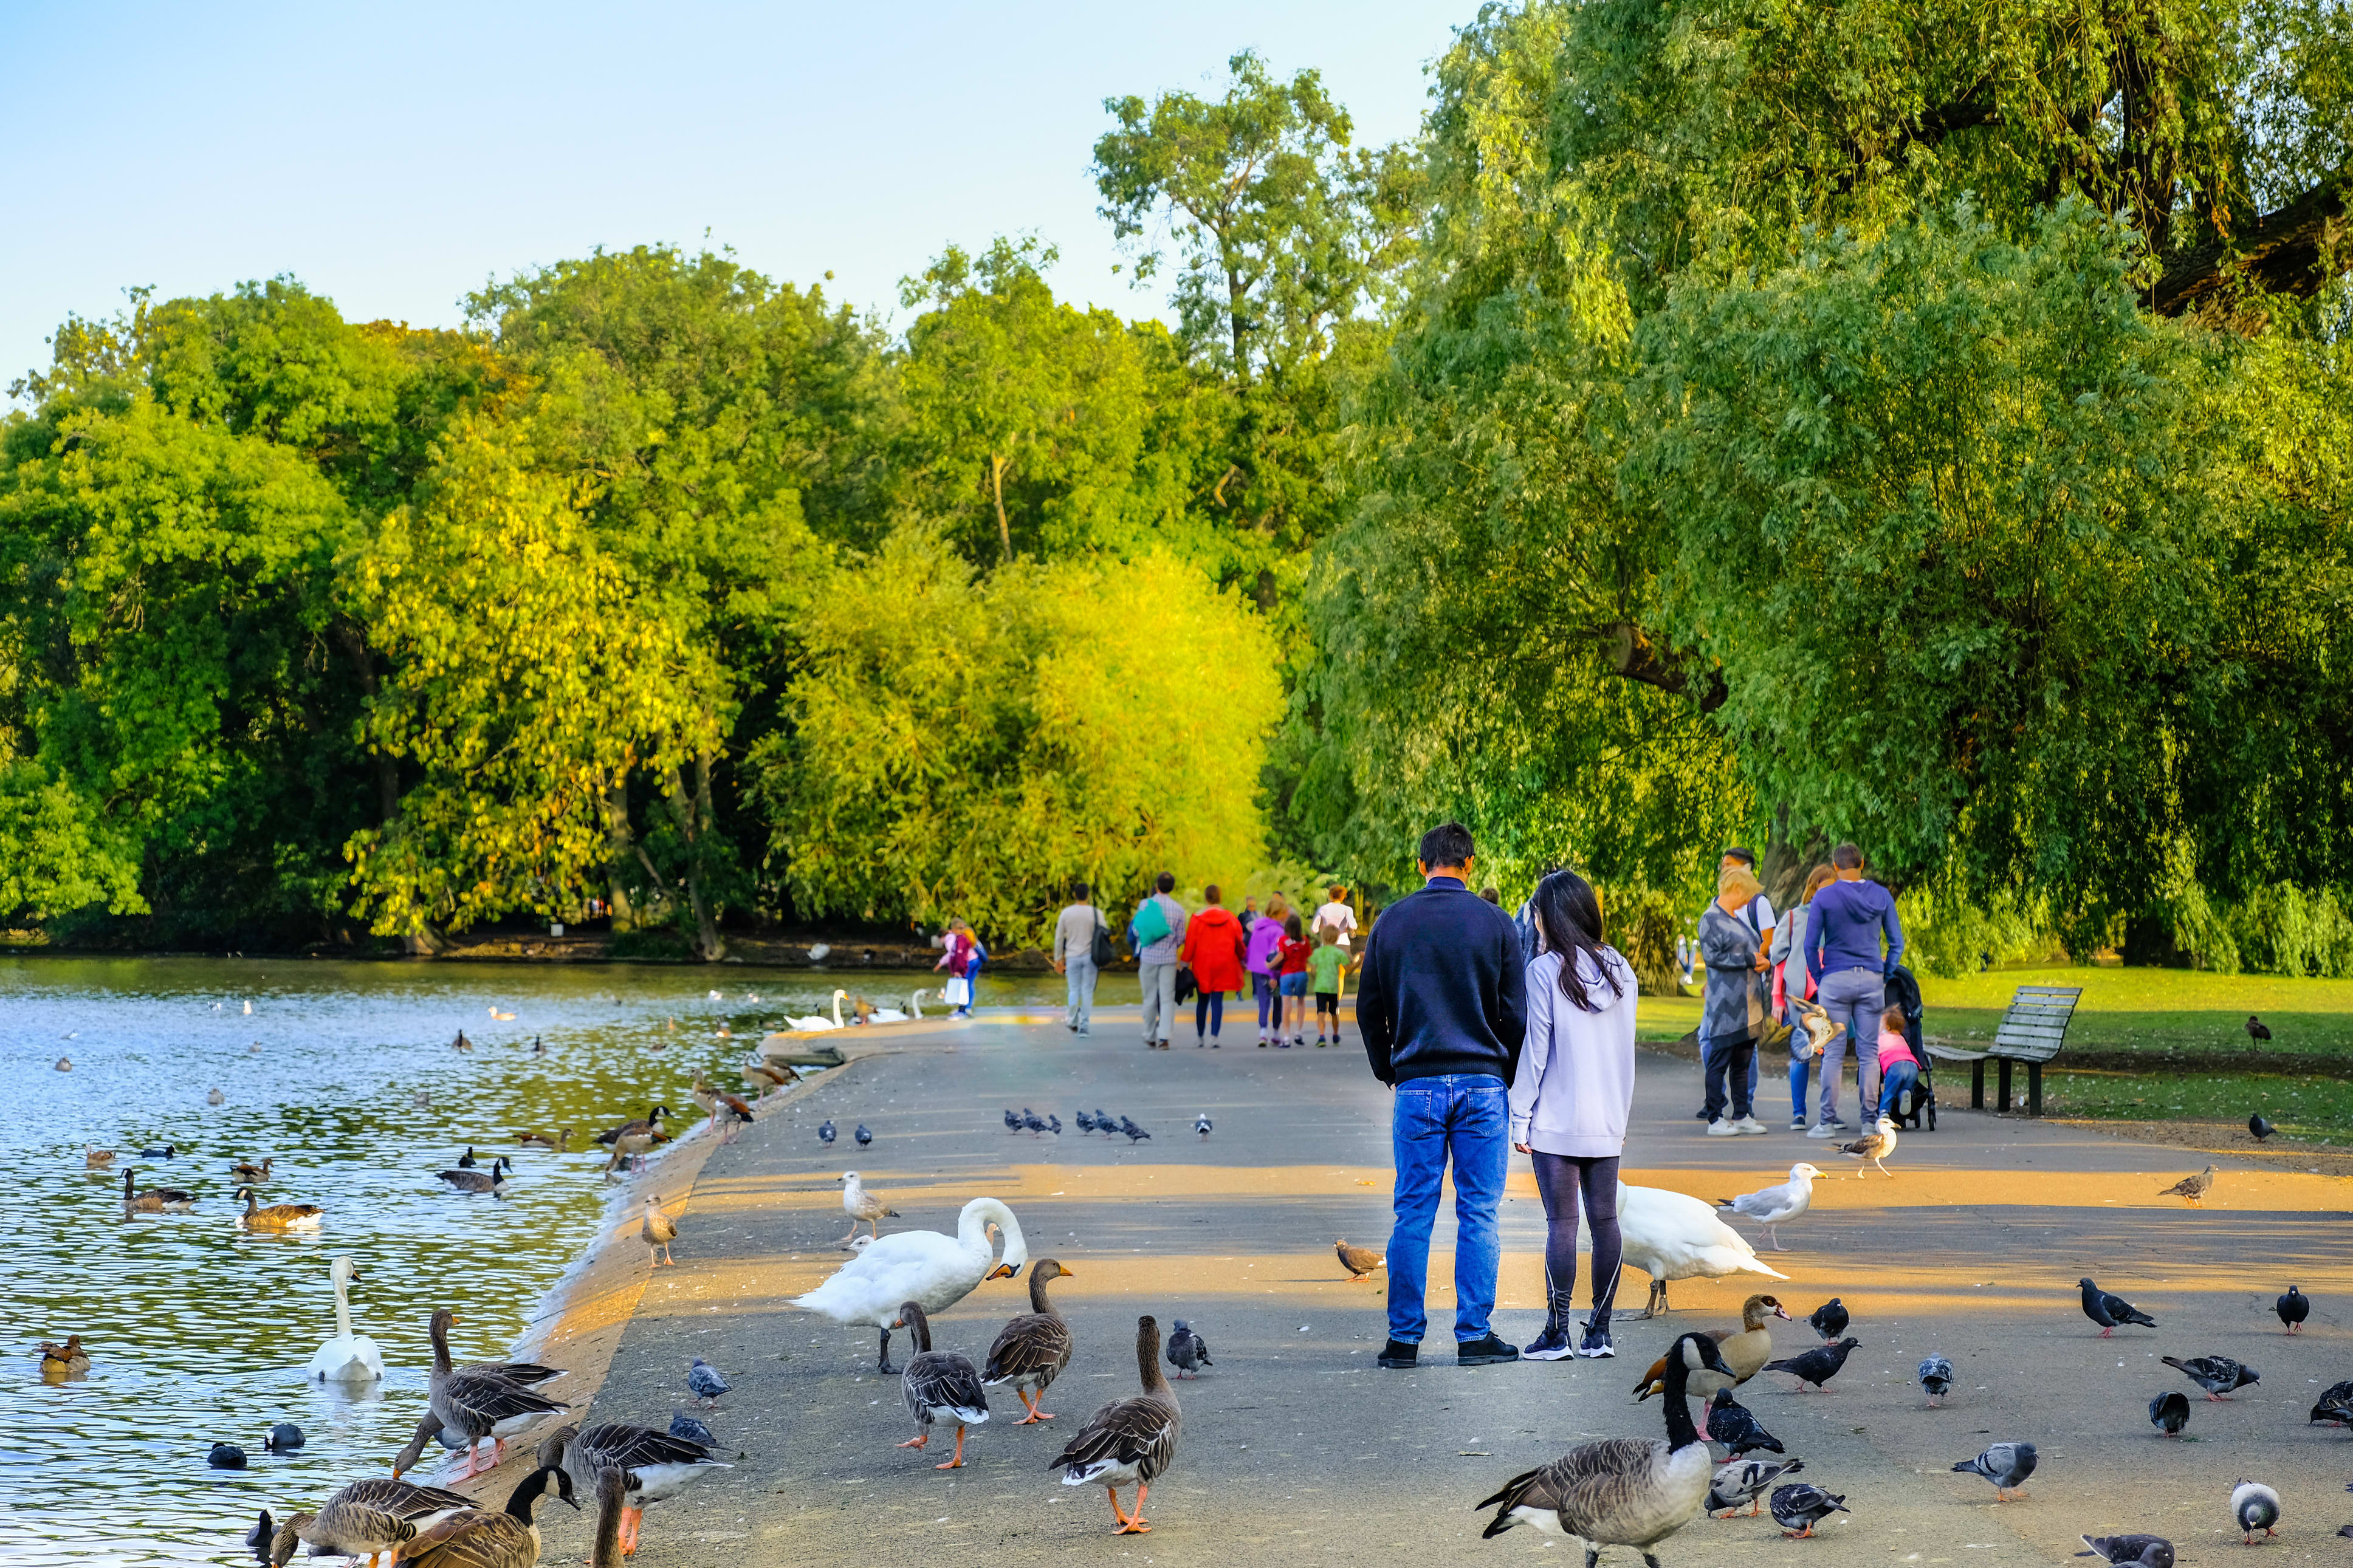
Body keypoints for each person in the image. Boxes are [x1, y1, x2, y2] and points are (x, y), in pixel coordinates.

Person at [1356, 821, 1528, 1370]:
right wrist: (1502, 1069)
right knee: (1479, 1210)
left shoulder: (1392, 921)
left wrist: (1389, 1067)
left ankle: (1404, 1338)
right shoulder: (1497, 923)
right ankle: (1474, 1334)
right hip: (1481, 1077)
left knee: (1413, 1211)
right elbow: (1516, 1013)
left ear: (1421, 864)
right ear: (1470, 864)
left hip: (1417, 1082)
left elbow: (1367, 1007)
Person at [1509, 868, 1638, 1360]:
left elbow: (1535, 1052)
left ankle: (1557, 1333)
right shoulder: (1621, 969)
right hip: (1607, 1118)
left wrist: (1519, 1117)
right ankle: (1600, 1333)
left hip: (1557, 1120)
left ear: (1548, 916)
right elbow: (1625, 1053)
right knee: (1604, 1221)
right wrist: (1619, 1118)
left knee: (1561, 1223)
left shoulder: (1543, 971)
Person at [1804, 843, 1905, 1131]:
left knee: (1833, 1053)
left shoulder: (1824, 896)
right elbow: (1897, 943)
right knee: (1869, 1053)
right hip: (1871, 978)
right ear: (1862, 863)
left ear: (1835, 867)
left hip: (1835, 978)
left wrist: (1820, 977)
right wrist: (1885, 974)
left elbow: (1810, 945)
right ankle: (1869, 1121)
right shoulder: (1881, 895)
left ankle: (1826, 1123)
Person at [1695, 847, 1774, 1120]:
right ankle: (1715, 1109)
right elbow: (1713, 955)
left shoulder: (1755, 905)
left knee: (1743, 1056)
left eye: (1729, 865)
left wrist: (1763, 960)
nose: (1723, 868)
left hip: (1748, 994)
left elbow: (1767, 944)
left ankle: (1744, 1109)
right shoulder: (1714, 914)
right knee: (1714, 1048)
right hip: (1726, 997)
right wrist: (1749, 959)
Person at [1767, 864, 1838, 1129]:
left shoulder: (1839, 918)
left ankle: (1828, 1113)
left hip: (1830, 991)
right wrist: (1776, 998)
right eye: (1825, 888)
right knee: (1802, 1051)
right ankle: (1799, 1113)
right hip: (1800, 995)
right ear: (1813, 887)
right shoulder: (1794, 917)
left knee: (1830, 1052)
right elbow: (1779, 961)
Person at [1179, 885, 1246, 1048]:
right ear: (1219, 898)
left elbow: (1191, 944)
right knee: (1218, 1001)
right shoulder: (1230, 918)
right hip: (1224, 964)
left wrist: (1184, 963)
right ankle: (1215, 1037)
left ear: (1206, 898)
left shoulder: (1197, 919)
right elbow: (1239, 942)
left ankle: (1200, 1036)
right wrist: (1243, 958)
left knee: (1202, 1001)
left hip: (1203, 964)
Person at [1133, 872, 1188, 1050]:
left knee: (1149, 998)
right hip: (1168, 959)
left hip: (1148, 957)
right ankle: (1164, 1038)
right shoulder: (1179, 909)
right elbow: (1181, 938)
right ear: (1172, 887)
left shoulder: (1145, 904)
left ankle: (1149, 1035)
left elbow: (1136, 930)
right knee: (1167, 998)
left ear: (1157, 886)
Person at [1051, 881, 1108, 1036]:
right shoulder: (1096, 913)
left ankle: (1071, 1021)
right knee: (1087, 991)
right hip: (1091, 957)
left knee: (1074, 990)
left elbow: (1059, 938)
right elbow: (1105, 933)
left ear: (1075, 895)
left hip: (1072, 956)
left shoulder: (1067, 913)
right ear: (1088, 895)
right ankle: (1085, 1026)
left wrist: (1058, 959)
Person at [1246, 895, 1289, 1045]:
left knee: (1263, 1001)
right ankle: (1276, 1033)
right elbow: (1274, 955)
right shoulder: (1278, 931)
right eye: (1285, 913)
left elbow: (1251, 949)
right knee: (1277, 1000)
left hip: (1257, 969)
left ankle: (1263, 1032)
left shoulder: (1258, 928)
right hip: (1273, 971)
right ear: (1278, 914)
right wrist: (1273, 975)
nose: (1287, 915)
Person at [1874, 1002, 1924, 1121]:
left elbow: (1874, 1053)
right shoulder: (1901, 1038)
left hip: (1895, 1066)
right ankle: (1904, 1093)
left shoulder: (1881, 1039)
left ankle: (1884, 1112)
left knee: (1890, 1091)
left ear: (1887, 1027)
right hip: (1912, 1066)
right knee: (1902, 1087)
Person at [1275, 914, 1314, 1047]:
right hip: (1301, 974)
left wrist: (1269, 965)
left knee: (1286, 1004)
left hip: (1287, 974)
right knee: (1301, 1002)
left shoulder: (1282, 940)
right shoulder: (1305, 940)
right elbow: (1310, 957)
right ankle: (1299, 1032)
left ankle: (1286, 1036)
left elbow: (1280, 956)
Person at [1310, 928, 1348, 1046]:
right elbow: (1349, 968)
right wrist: (1359, 961)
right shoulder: (1339, 953)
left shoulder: (1317, 952)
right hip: (1333, 987)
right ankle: (1335, 1035)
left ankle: (1322, 1036)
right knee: (1333, 1012)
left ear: (1323, 937)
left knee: (1321, 1012)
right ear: (1336, 938)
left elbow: (1313, 969)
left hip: (1321, 987)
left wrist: (1315, 976)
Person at [933, 919, 978, 1019]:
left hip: (968, 963)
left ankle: (964, 1010)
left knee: (965, 986)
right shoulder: (961, 937)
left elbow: (959, 956)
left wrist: (958, 970)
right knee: (969, 985)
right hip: (975, 960)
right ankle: (966, 1008)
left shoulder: (959, 939)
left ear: (954, 928)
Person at [1311, 885, 1358, 949]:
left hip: (1327, 944)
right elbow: (1353, 926)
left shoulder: (1322, 909)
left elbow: (1314, 929)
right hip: (1343, 944)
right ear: (1343, 897)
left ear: (1330, 895)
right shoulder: (1347, 909)